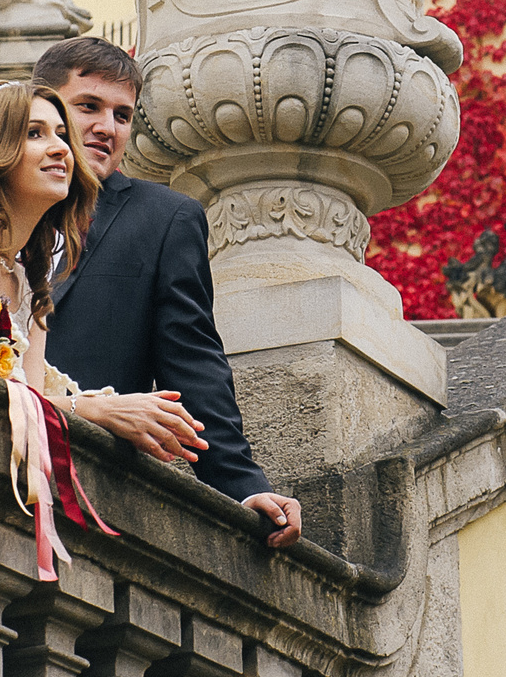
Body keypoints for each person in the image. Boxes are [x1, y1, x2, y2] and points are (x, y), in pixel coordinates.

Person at [34, 37, 305, 549]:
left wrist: (243, 488)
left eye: (121, 115)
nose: (106, 128)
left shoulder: (165, 220)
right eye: (88, 106)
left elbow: (193, 362)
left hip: (90, 493)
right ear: (44, 105)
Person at [0, 80, 207, 493]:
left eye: (62, 135)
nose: (61, 149)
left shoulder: (28, 280)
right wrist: (99, 410)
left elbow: (27, 402)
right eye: (35, 133)